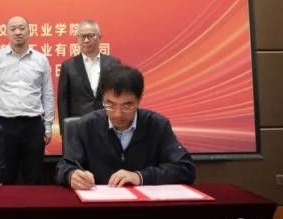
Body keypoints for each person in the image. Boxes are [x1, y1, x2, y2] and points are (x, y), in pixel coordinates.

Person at [56, 64, 195, 189]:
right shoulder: (85, 126)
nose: (118, 114)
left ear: (139, 100)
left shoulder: (157, 125)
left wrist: (141, 177)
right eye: (110, 104)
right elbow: (64, 167)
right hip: (99, 204)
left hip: (143, 205)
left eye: (127, 106)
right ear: (103, 98)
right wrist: (71, 175)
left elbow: (185, 168)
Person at [0, 16, 54, 184]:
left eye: (22, 28)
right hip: (5, 124)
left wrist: (48, 125)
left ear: (29, 31)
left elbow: (47, 94)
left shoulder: (41, 59)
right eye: (13, 29)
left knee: (34, 176)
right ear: (6, 32)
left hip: (34, 125)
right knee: (5, 175)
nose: (18, 32)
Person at [57, 19, 120, 136]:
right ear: (77, 39)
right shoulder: (68, 66)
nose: (86, 40)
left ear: (99, 37)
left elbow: (119, 94)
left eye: (90, 36)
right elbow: (63, 100)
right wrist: (65, 130)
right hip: (78, 124)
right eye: (82, 36)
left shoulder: (113, 63)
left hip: (107, 123)